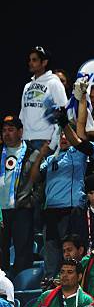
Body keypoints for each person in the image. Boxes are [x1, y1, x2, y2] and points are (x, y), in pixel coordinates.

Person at [32, 130, 87, 277]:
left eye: (66, 134)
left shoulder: (80, 154)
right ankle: (51, 286)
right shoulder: (50, 159)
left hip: (71, 211)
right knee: (51, 254)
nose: (63, 137)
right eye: (60, 134)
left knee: (71, 254)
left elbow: (82, 137)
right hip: (50, 212)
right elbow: (35, 178)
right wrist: (40, 155)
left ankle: (77, 282)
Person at [0, 115, 42, 275]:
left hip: (22, 209)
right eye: (4, 130)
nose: (6, 134)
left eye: (11, 130)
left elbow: (39, 183)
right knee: (1, 250)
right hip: (0, 212)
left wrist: (32, 200)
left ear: (20, 132)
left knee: (23, 250)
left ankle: (20, 286)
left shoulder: (32, 153)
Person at [20, 46, 68, 145]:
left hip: (45, 140)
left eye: (34, 60)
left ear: (44, 62)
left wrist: (52, 144)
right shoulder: (27, 86)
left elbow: (63, 113)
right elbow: (23, 114)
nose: (30, 63)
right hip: (26, 139)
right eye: (29, 60)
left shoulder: (54, 82)